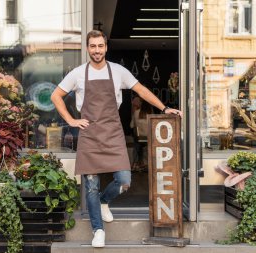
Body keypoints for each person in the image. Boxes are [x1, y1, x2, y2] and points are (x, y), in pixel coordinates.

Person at [51, 30, 182, 248]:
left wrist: (165, 107)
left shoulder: (118, 71)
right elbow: (56, 96)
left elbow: (141, 90)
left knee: (124, 180)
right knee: (91, 186)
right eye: (93, 46)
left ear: (106, 48)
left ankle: (104, 201)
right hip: (90, 133)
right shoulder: (78, 74)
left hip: (112, 132)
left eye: (100, 46)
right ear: (87, 48)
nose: (97, 50)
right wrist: (72, 120)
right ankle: (98, 229)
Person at [130, 99, 154, 171]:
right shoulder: (152, 115)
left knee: (137, 144)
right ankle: (147, 164)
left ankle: (136, 163)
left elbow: (131, 125)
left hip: (139, 138)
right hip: (149, 139)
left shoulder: (136, 112)